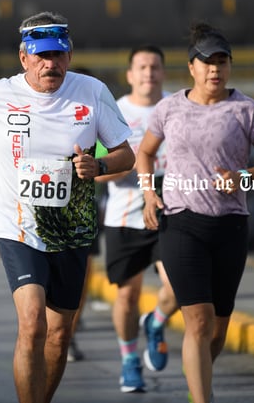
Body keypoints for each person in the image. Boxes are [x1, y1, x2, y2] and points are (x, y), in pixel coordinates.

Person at [0, 11, 135, 403]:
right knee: (32, 323)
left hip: (73, 228)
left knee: (59, 334)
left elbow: (126, 155)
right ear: (24, 57)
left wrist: (98, 165)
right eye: (43, 56)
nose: (52, 64)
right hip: (19, 224)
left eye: (60, 55)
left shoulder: (93, 92)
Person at [136, 22, 254, 403]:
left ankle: (198, 381)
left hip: (230, 225)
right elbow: (145, 154)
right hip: (181, 222)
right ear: (192, 67)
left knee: (217, 328)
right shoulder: (170, 108)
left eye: (222, 62)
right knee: (198, 321)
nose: (215, 69)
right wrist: (149, 195)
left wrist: (242, 177)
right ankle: (202, 398)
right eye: (207, 62)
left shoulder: (246, 109)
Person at [97, 45, 179, 393]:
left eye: (155, 67)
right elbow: (98, 172)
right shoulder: (114, 110)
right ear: (130, 75)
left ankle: (156, 323)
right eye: (142, 67)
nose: (149, 73)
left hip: (171, 214)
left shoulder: (179, 107)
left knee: (178, 289)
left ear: (163, 72)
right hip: (125, 217)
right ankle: (130, 360)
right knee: (127, 297)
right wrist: (119, 168)